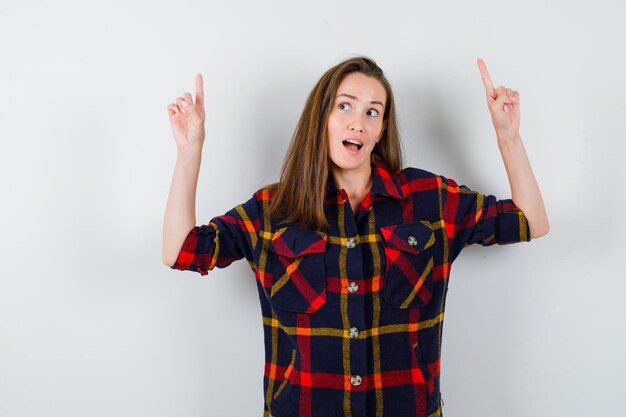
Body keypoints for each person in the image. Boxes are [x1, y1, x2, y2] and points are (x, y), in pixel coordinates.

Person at [162, 56, 549, 417]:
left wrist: (508, 137)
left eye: (372, 112)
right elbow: (181, 251)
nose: (357, 123)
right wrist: (189, 150)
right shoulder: (272, 210)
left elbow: (530, 221)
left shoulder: (428, 200)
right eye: (344, 106)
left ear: (381, 129)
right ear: (322, 117)